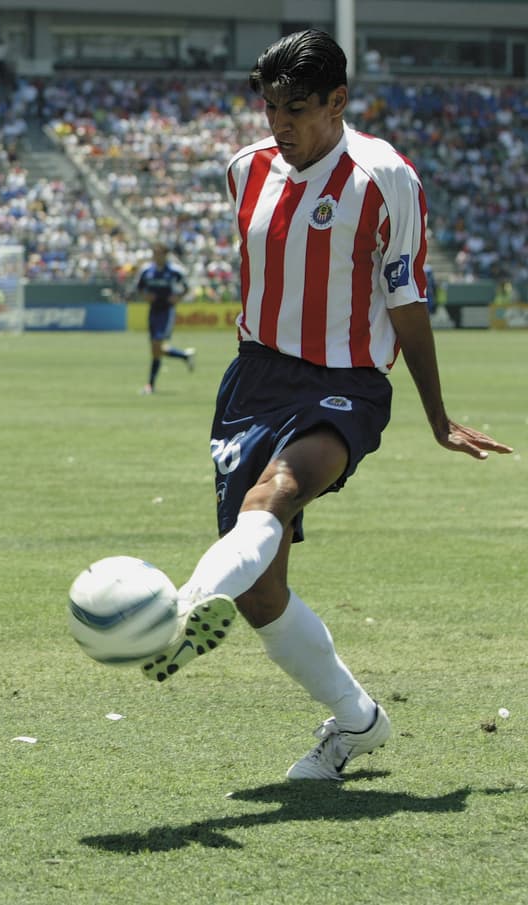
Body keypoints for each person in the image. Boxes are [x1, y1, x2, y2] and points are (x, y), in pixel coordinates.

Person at [137, 30, 512, 781]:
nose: (280, 124)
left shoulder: (385, 177)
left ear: (338, 100)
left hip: (347, 382)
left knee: (274, 494)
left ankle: (182, 607)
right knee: (260, 591)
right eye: (271, 108)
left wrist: (437, 415)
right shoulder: (244, 169)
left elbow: (406, 302)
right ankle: (358, 721)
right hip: (254, 382)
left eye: (298, 109)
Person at [134, 243, 194, 393]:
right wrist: (145, 296)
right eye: (154, 253)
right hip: (153, 310)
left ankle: (150, 385)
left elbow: (187, 287)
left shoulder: (174, 271)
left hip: (166, 311)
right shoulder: (147, 270)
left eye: (159, 253)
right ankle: (184, 356)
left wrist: (178, 297)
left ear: (165, 255)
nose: (156, 256)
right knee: (156, 349)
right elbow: (139, 287)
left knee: (156, 345)